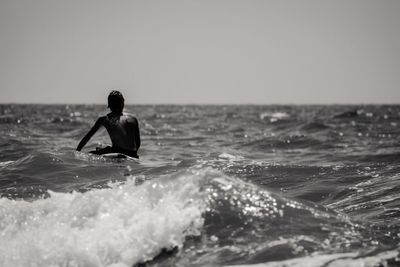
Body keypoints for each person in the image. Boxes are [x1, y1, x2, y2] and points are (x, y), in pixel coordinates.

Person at [76, 90, 141, 158]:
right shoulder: (133, 118)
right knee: (103, 148)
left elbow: (87, 137)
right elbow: (138, 144)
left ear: (109, 105)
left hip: (119, 153)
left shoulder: (105, 119)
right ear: (123, 103)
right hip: (133, 154)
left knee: (90, 154)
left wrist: (77, 151)